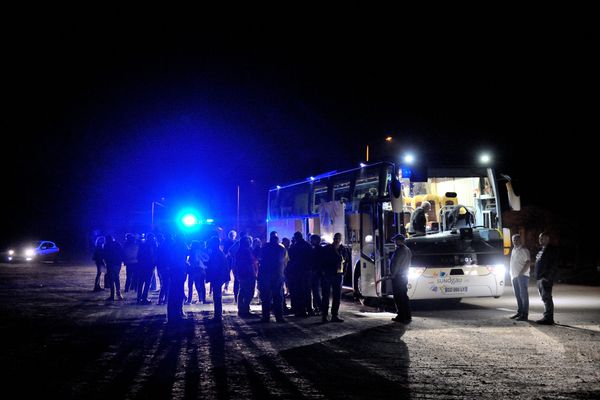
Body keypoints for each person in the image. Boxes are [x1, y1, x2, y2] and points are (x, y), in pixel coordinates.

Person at [258, 231, 287, 323]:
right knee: (278, 297)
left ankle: (265, 317)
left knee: (266, 298)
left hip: (266, 276)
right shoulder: (281, 249)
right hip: (278, 276)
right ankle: (279, 317)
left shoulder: (265, 248)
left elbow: (260, 259)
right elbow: (285, 262)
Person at [320, 233, 347, 323]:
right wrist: (323, 271)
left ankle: (334, 315)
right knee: (326, 296)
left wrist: (344, 273)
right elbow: (322, 260)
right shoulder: (327, 248)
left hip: (338, 275)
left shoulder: (343, 249)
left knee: (337, 296)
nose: (337, 240)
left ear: (341, 239)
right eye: (335, 238)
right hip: (328, 274)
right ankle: (324, 315)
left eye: (338, 238)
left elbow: (345, 261)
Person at [534, 232, 559, 325]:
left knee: (547, 298)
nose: (540, 240)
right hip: (539, 278)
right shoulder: (541, 249)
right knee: (544, 298)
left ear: (548, 239)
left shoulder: (551, 250)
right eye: (540, 238)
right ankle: (547, 316)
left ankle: (548, 318)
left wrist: (548, 277)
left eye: (542, 238)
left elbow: (554, 265)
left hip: (545, 279)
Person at [388, 233, 412, 324]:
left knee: (398, 296)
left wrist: (392, 274)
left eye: (395, 240)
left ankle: (401, 315)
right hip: (404, 276)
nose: (394, 242)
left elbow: (396, 264)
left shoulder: (399, 250)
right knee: (404, 296)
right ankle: (407, 315)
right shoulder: (408, 250)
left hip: (398, 276)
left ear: (398, 240)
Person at [166, 234, 189, 325]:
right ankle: (177, 313)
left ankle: (173, 314)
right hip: (179, 271)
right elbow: (183, 258)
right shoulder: (182, 246)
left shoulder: (173, 246)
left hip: (175, 272)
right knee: (178, 292)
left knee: (174, 292)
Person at [206, 236, 230, 322]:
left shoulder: (217, 253)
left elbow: (215, 266)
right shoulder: (219, 252)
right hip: (219, 277)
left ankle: (218, 315)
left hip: (217, 277)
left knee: (217, 296)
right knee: (217, 296)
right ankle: (218, 314)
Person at [509, 234, 531, 321]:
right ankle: (520, 312)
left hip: (522, 276)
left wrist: (521, 273)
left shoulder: (524, 250)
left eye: (516, 239)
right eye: (513, 240)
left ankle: (525, 314)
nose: (515, 241)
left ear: (520, 240)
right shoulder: (513, 250)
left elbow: (528, 262)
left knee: (523, 296)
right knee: (518, 295)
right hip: (514, 276)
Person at [235, 236, 258, 317]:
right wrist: (254, 273)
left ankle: (241, 309)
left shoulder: (239, 251)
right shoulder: (247, 251)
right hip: (248, 274)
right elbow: (251, 263)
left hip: (242, 274)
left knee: (242, 291)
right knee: (249, 292)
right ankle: (245, 309)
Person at [102, 235, 125, 301]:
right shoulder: (117, 244)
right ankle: (119, 294)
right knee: (116, 278)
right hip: (117, 264)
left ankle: (112, 295)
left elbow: (104, 255)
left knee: (111, 280)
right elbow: (121, 253)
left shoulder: (106, 245)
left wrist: (105, 262)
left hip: (110, 264)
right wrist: (120, 261)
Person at [136, 233, 157, 305]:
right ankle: (144, 298)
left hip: (141, 266)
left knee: (140, 283)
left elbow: (138, 255)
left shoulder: (142, 245)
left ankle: (139, 298)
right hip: (149, 267)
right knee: (147, 283)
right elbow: (153, 256)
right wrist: (154, 264)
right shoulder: (152, 245)